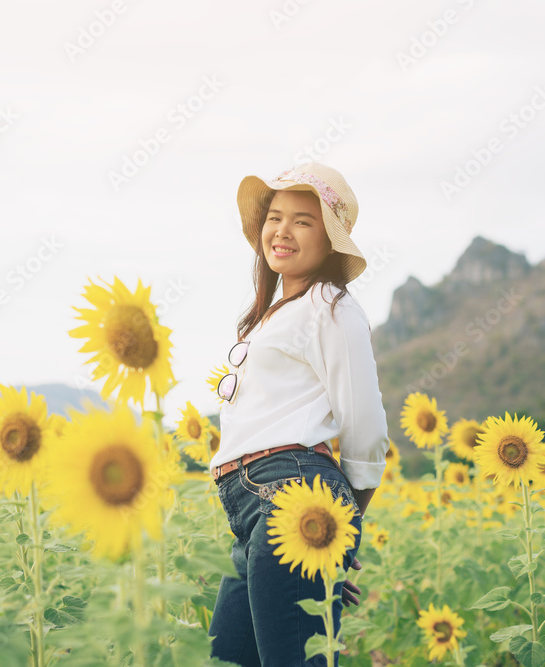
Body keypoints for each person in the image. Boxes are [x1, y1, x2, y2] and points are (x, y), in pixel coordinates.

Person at [208, 161, 391, 666]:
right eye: (275, 216)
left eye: (303, 221)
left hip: (290, 497)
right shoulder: (273, 313)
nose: (282, 231)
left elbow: (368, 432)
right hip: (253, 513)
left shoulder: (331, 307)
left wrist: (338, 532)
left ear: (330, 242)